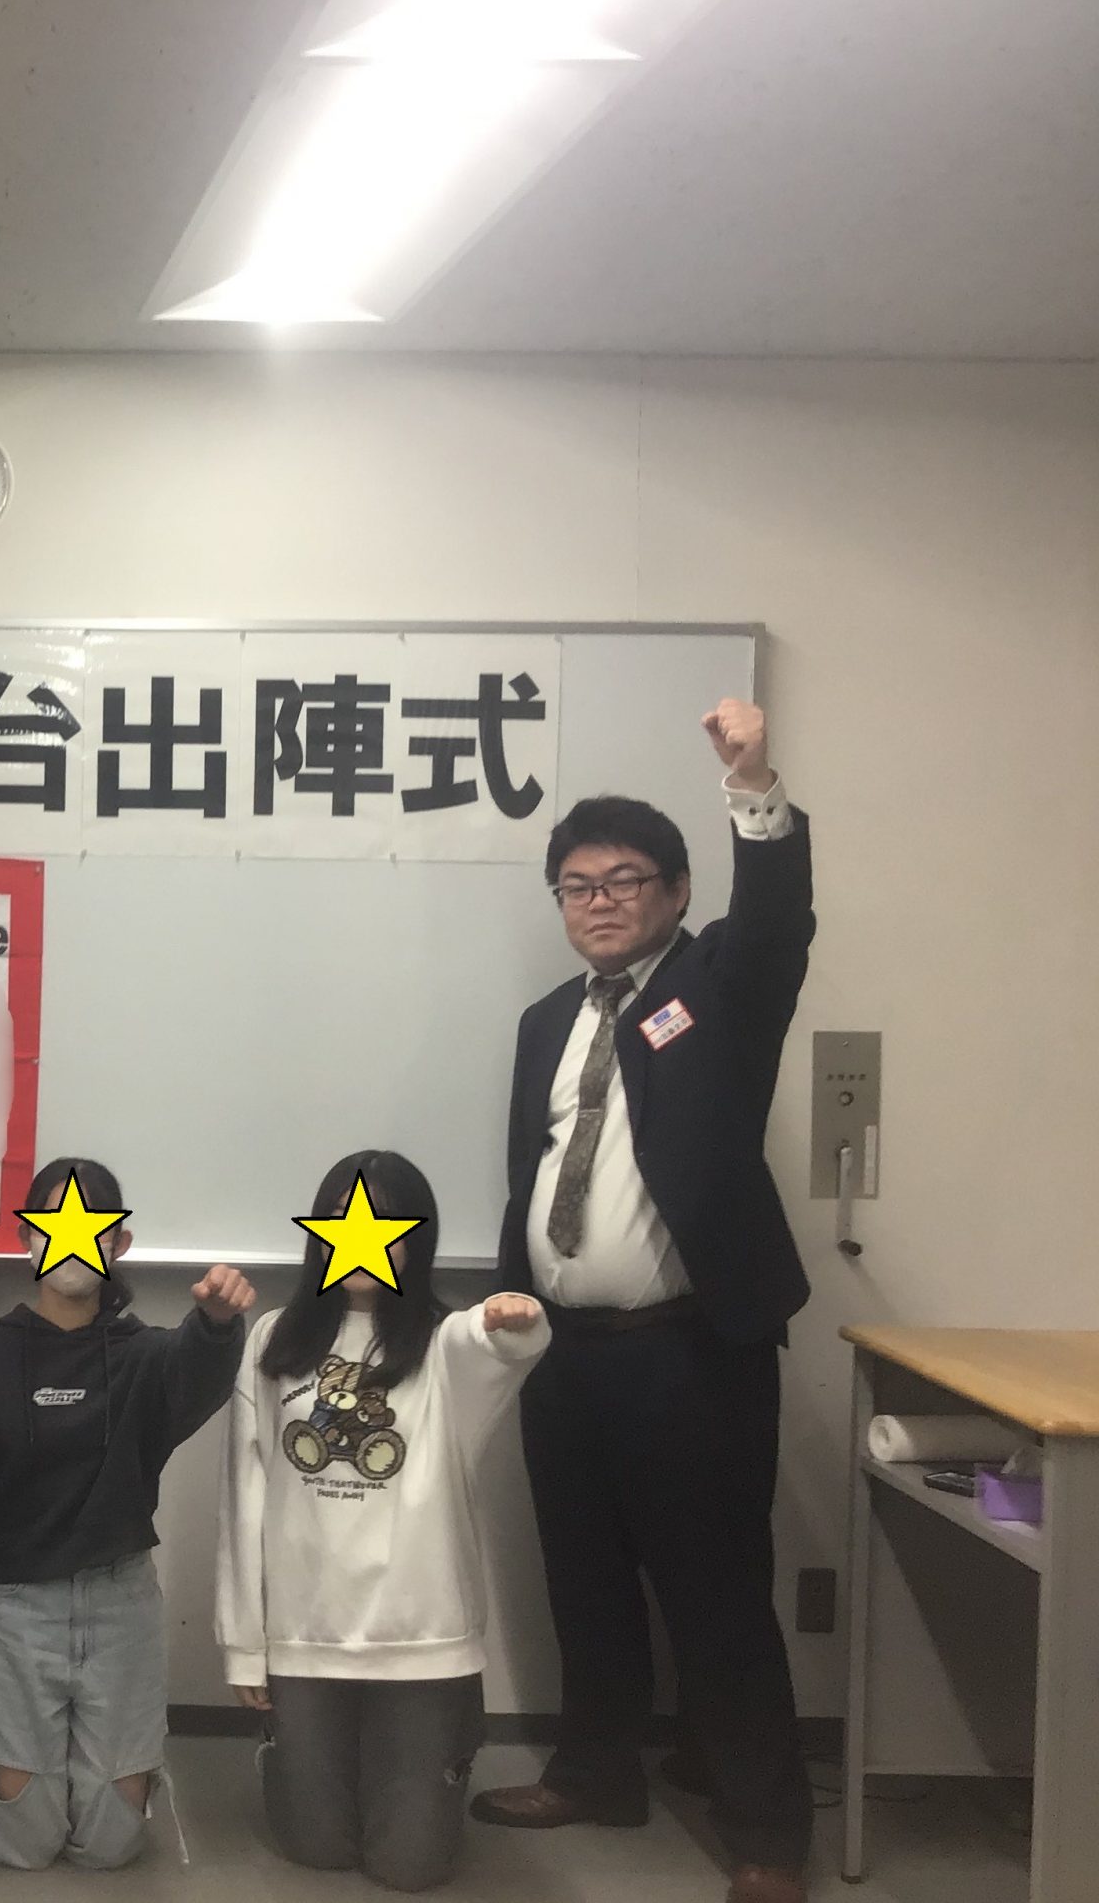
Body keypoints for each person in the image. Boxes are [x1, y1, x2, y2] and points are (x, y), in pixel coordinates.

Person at [467, 700, 816, 1903]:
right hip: (562, 1355)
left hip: (688, 1354)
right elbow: (532, 1171)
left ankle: (766, 1833)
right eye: (576, 885)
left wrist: (752, 785)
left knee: (716, 1595)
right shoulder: (544, 1022)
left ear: (674, 892)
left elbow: (775, 924)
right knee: (584, 1577)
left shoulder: (718, 985)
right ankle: (597, 1772)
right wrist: (510, 1306)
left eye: (623, 881)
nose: (599, 901)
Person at [216, 1149, 549, 1893]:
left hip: (421, 1643)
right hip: (305, 1636)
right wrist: (244, 1646)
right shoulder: (272, 1340)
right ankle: (293, 1757)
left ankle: (439, 1763)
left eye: (384, 1221)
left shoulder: (443, 1343)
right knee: (318, 1848)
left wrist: (513, 1320)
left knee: (411, 1866)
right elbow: (243, 1495)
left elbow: (498, 1345)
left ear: (416, 1237)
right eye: (342, 1219)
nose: (362, 1236)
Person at [0, 1155, 254, 1871]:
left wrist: (217, 1320)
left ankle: (61, 1768)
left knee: (109, 1847)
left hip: (120, 1607)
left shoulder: (148, 1357)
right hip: (10, 1611)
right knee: (25, 1845)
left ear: (120, 1243)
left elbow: (201, 1370)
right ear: (25, 1236)